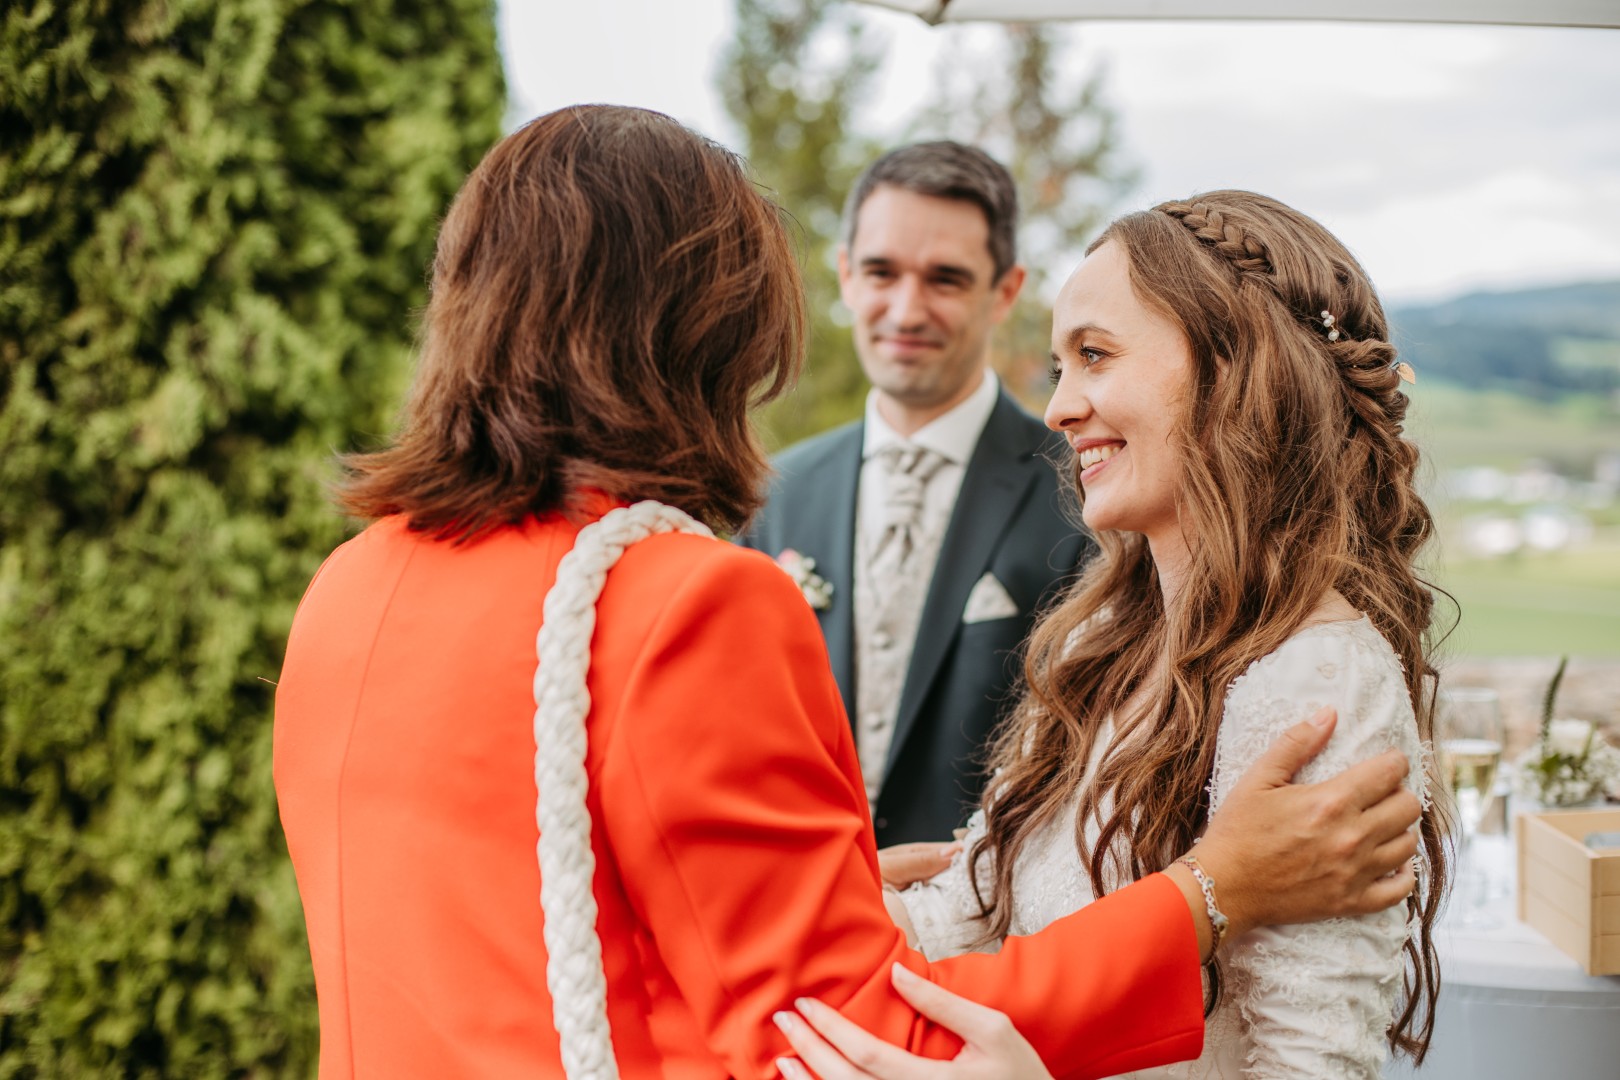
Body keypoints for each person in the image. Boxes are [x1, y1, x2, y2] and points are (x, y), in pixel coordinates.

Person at [272, 110, 1424, 1079]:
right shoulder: (684, 601)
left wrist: (820, 897)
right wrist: (1208, 895)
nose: (1062, 403)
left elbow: (530, 913)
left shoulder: (350, 584)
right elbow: (854, 1039)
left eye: (1096, 355)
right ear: (704, 328)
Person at [776, 191, 1449, 1079]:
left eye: (1094, 355)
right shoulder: (1099, 640)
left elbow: (1311, 1067)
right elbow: (970, 910)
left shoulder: (1315, 680)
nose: (1059, 408)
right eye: (1060, 366)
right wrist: (805, 919)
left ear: (1235, 366)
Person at [742, 142, 1087, 847]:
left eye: (945, 279)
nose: (906, 310)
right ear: (845, 274)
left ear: (1005, 291)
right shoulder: (775, 493)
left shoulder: (1081, 492)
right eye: (881, 272)